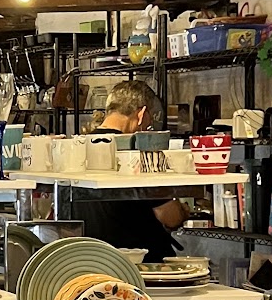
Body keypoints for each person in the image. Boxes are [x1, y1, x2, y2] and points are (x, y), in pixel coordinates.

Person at [72, 78, 189, 261]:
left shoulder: (77, 147)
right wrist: (182, 210)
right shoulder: (136, 154)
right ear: (141, 114)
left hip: (93, 260)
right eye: (150, 120)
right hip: (141, 264)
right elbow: (169, 216)